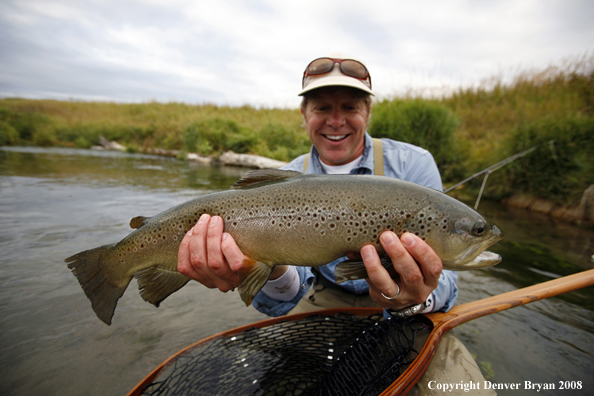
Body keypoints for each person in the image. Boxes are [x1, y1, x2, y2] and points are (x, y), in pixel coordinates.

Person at [177, 55, 495, 395]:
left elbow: (445, 283)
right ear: (304, 114)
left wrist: (415, 299)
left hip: (407, 316)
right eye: (322, 108)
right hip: (320, 298)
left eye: (350, 107)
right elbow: (285, 297)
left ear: (368, 112)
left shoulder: (413, 165)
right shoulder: (280, 183)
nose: (336, 121)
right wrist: (266, 267)